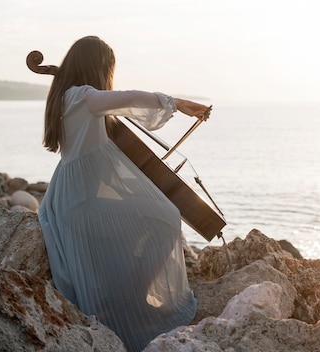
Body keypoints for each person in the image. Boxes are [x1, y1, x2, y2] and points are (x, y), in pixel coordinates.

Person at [37, 36, 210, 352]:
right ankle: (124, 303)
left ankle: (123, 296)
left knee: (156, 219)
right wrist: (176, 102)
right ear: (97, 68)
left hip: (72, 197)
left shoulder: (67, 97)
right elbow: (126, 97)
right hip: (80, 203)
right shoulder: (83, 96)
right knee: (167, 217)